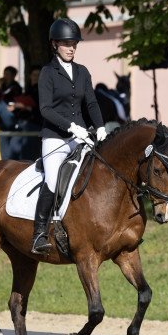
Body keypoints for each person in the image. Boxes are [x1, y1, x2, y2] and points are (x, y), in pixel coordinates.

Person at [31, 18, 107, 255]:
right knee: (53, 180)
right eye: (66, 43)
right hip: (55, 138)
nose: (71, 47)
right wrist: (72, 127)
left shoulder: (82, 71)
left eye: (74, 43)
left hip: (82, 135)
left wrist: (101, 127)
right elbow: (45, 109)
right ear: (55, 44)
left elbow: (91, 103)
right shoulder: (47, 73)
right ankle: (39, 233)